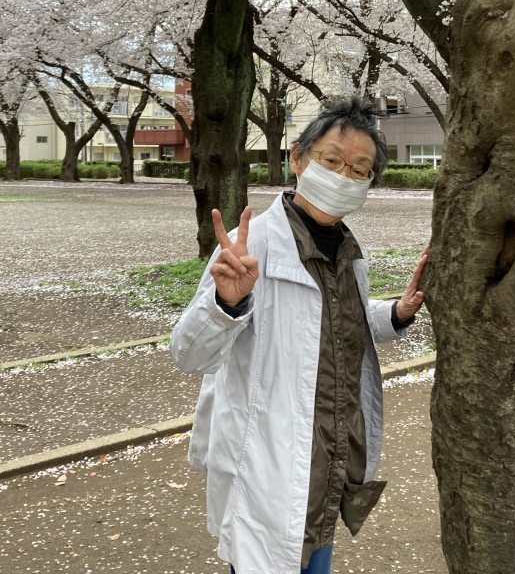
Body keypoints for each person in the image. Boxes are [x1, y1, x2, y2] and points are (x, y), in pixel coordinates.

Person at [170, 96, 428, 574]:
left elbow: (332, 323)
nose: (344, 176)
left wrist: (397, 312)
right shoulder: (254, 247)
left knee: (314, 558)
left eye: (359, 170)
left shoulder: (349, 251)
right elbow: (190, 354)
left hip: (330, 461)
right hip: (270, 462)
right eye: (332, 161)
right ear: (298, 159)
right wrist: (226, 304)